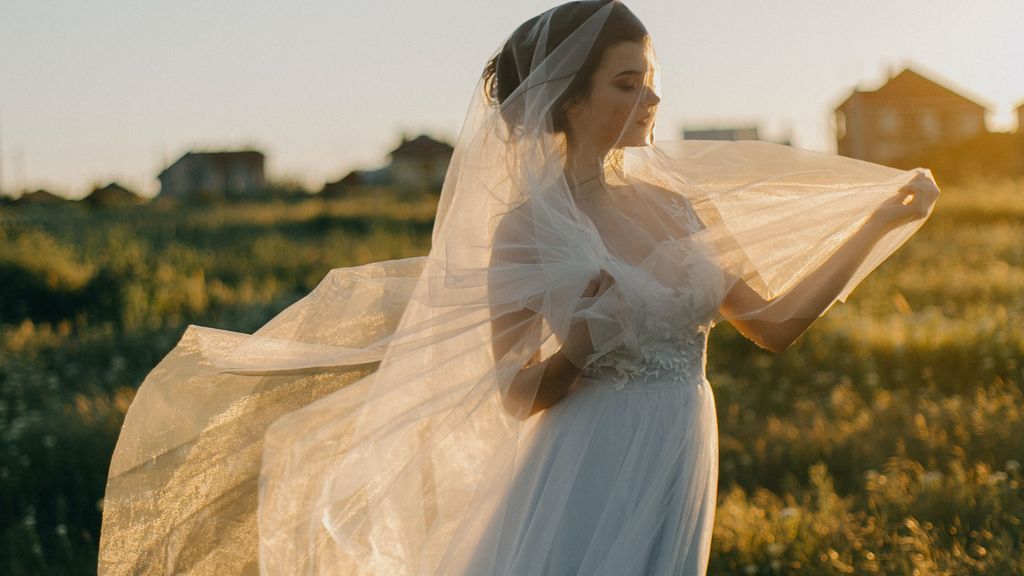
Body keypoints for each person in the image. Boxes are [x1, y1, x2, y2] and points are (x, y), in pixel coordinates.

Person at [97, 1, 939, 574]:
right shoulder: (526, 229)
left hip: (680, 442)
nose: (652, 95)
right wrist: (575, 352)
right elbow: (515, 396)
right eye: (626, 81)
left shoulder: (681, 205)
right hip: (586, 456)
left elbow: (776, 324)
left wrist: (882, 224)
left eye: (649, 77)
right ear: (567, 100)